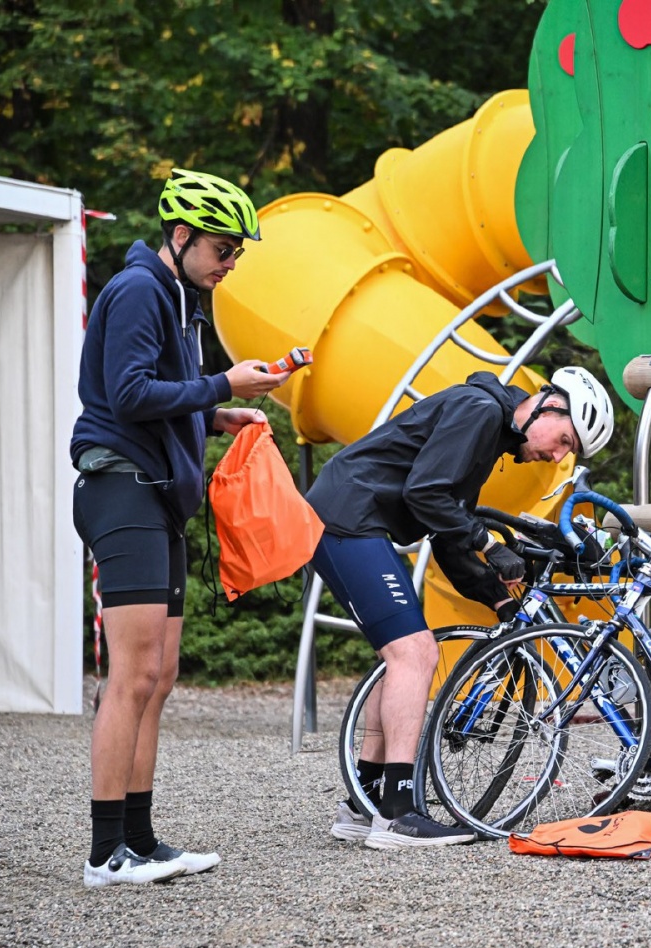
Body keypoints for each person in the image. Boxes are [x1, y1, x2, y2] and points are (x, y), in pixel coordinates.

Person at [70, 169, 290, 887]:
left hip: (158, 497)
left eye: (238, 253)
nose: (230, 263)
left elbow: (164, 397)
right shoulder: (139, 290)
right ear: (182, 234)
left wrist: (215, 415)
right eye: (223, 249)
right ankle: (105, 854)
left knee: (158, 677)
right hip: (123, 491)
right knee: (129, 676)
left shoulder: (178, 296)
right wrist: (225, 384)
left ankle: (140, 837)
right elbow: (129, 392)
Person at [307, 366, 614, 849]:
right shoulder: (480, 412)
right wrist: (489, 543)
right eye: (564, 440)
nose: (556, 454)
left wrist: (493, 594)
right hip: (349, 517)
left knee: (401, 658)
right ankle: (399, 814)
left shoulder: (490, 431)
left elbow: (446, 529)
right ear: (550, 405)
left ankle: (362, 805)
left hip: (350, 517)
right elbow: (426, 494)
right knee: (416, 655)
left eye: (566, 452)